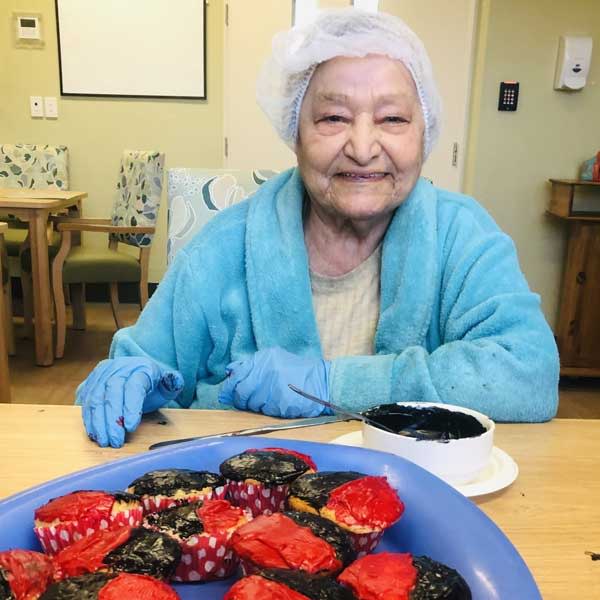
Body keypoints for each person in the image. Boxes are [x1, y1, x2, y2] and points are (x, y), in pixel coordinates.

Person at [77, 9, 559, 448]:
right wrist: (130, 375)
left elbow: (528, 373)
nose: (364, 146)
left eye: (392, 118)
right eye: (333, 117)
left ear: (424, 133)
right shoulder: (226, 246)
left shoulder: (460, 234)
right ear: (296, 133)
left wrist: (331, 384)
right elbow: (148, 359)